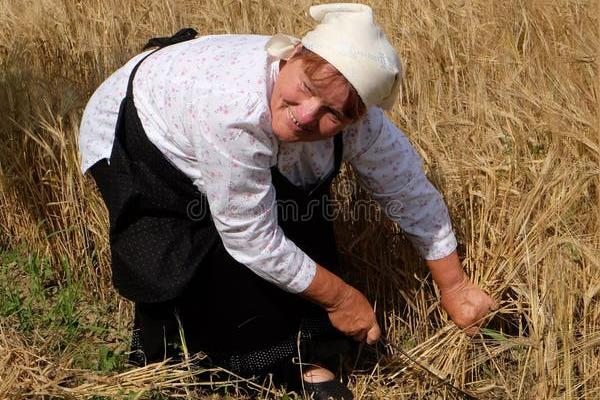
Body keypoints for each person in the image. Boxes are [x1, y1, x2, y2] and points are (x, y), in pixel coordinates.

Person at [79, 3, 497, 399]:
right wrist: (341, 298)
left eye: (333, 113)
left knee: (300, 214)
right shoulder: (233, 109)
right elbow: (248, 235)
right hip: (140, 128)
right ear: (293, 52)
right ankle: (199, 360)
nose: (307, 114)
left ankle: (302, 354)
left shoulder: (358, 117)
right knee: (192, 251)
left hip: (214, 123)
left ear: (357, 117)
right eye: (306, 88)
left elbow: (408, 190)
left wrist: (455, 286)